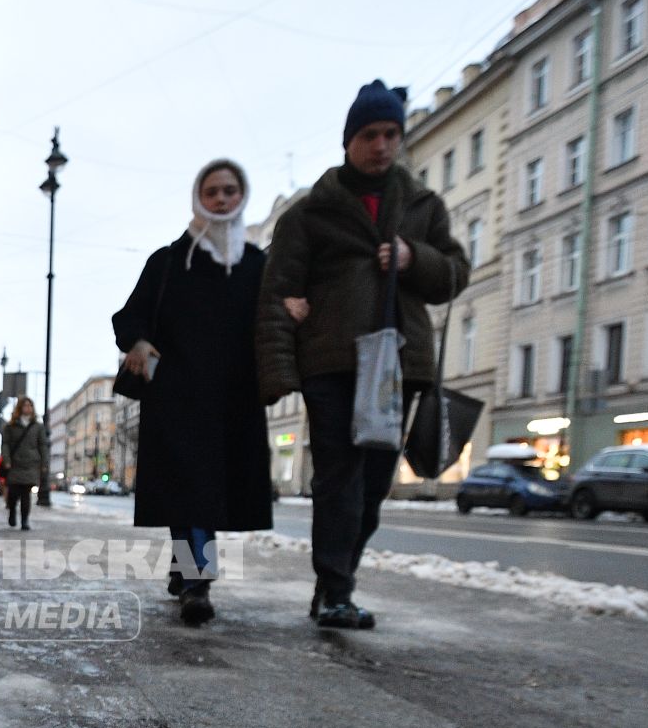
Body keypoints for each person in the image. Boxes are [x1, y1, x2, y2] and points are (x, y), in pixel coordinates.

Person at [256, 80, 468, 629]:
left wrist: (411, 257)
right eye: (370, 135)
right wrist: (279, 375)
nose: (381, 145)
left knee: (374, 484)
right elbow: (277, 294)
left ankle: (336, 583)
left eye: (390, 134)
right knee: (338, 479)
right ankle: (335, 590)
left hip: (398, 365)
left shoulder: (423, 206)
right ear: (349, 140)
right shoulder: (310, 215)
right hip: (334, 363)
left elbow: (453, 274)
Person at [113, 159, 273, 627]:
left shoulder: (258, 264)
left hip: (234, 400)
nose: (221, 199)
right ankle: (197, 582)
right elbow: (129, 317)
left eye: (229, 191)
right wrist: (140, 343)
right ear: (198, 198)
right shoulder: (167, 262)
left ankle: (186, 571)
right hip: (177, 397)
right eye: (212, 192)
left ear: (241, 196)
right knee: (189, 489)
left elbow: (272, 324)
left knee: (206, 492)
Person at [0, 398, 46, 529]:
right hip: (15, 464)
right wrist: (7, 460)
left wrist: (44, 463)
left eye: (30, 405)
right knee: (13, 492)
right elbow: (5, 445)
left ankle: (25, 520)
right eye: (25, 405)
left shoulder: (38, 427)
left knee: (26, 494)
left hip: (31, 464)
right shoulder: (10, 426)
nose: (28, 408)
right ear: (19, 408)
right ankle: (12, 512)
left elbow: (43, 446)